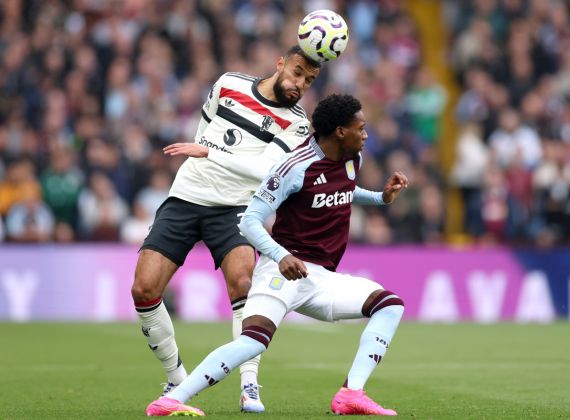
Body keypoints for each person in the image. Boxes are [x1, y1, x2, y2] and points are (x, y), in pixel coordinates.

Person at [145, 94, 408, 417]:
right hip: (281, 271)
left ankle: (351, 393)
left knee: (390, 305)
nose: (366, 134)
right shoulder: (293, 168)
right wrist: (281, 255)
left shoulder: (353, 160)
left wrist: (380, 198)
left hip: (321, 278)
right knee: (253, 342)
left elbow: (342, 192)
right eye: (361, 128)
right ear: (340, 131)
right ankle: (171, 400)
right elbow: (250, 220)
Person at [131, 45, 321, 413]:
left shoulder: (297, 122)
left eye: (309, 81)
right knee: (143, 288)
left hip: (235, 208)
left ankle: (249, 384)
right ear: (280, 63)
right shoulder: (229, 83)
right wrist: (204, 158)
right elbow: (206, 127)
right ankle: (176, 378)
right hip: (186, 195)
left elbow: (265, 170)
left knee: (244, 284)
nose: (300, 84)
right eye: (298, 72)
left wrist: (210, 154)